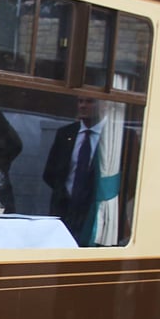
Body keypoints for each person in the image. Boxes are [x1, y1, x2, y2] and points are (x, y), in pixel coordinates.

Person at [41, 97, 101, 242]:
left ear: (103, 106)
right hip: (64, 208)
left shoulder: (116, 137)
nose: (83, 106)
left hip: (95, 210)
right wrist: (63, 193)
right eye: (80, 102)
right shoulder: (66, 133)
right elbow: (50, 172)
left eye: (89, 101)